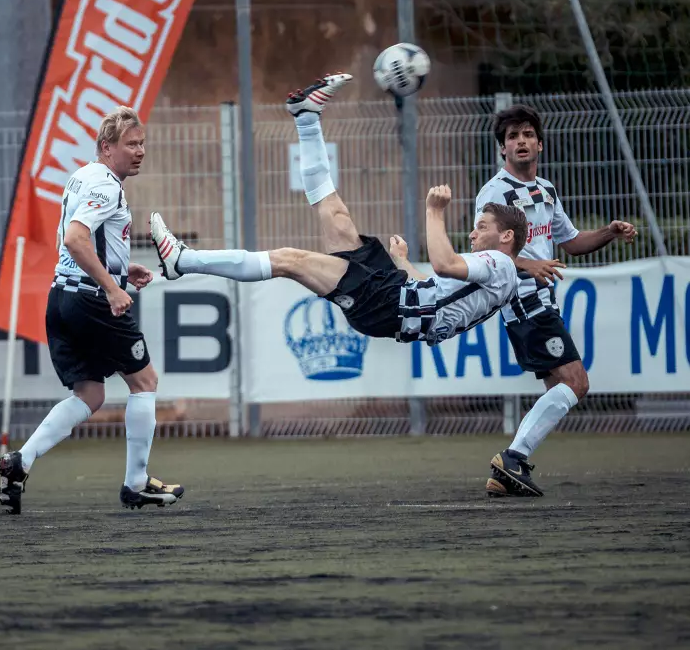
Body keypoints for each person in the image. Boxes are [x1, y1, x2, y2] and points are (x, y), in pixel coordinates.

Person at [149, 73, 527, 351]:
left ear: (506, 237)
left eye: (482, 227)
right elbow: (436, 288)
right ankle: (306, 117)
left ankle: (183, 260)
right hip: (397, 295)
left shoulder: (500, 263)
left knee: (290, 260)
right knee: (337, 216)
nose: (475, 234)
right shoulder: (496, 269)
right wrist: (402, 262)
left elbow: (443, 264)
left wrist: (434, 211)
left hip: (389, 306)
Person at [0, 106, 184, 515]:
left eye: (142, 143)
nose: (140, 151)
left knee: (90, 394)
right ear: (106, 147)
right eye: (131, 144)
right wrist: (112, 286)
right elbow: (77, 240)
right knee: (145, 381)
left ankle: (19, 462)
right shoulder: (107, 186)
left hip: (61, 298)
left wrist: (119, 267)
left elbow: (83, 241)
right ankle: (136, 484)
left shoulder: (83, 175)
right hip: (89, 300)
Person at [475, 105, 638, 498]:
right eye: (512, 137)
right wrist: (530, 265)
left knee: (559, 390)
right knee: (577, 383)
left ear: (540, 144)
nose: (521, 141)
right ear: (503, 150)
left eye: (527, 134)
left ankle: (508, 470)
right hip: (523, 301)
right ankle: (512, 457)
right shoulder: (496, 193)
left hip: (544, 302)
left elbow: (570, 242)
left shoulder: (545, 190)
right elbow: (483, 249)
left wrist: (609, 232)